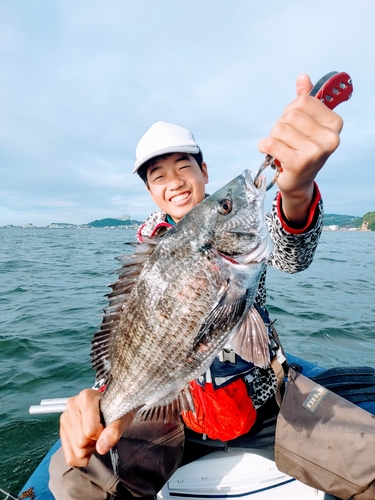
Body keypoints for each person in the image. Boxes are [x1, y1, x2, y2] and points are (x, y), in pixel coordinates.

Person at [49, 74, 343, 499]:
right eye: (158, 176)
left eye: (184, 166)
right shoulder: (148, 252)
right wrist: (102, 400)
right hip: (175, 417)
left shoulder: (237, 238)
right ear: (151, 192)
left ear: (204, 171)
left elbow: (289, 253)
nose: (175, 182)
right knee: (71, 476)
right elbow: (129, 341)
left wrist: (295, 193)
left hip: (262, 407)